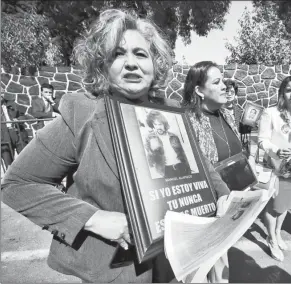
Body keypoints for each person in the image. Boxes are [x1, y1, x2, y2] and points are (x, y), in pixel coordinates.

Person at [2, 9, 230, 283]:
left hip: (178, 264)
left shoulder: (171, 112)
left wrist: (221, 193)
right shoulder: (81, 113)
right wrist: (95, 219)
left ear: (155, 63)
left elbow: (199, 163)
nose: (131, 63)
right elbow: (17, 184)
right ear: (102, 66)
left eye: (140, 54)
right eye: (118, 54)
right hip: (116, 271)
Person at [182, 60, 244, 282]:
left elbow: (235, 151)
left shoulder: (226, 114)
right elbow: (193, 166)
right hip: (205, 208)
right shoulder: (187, 120)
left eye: (223, 80)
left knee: (220, 263)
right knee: (199, 270)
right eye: (217, 82)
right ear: (199, 90)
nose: (225, 86)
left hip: (229, 201)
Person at [258, 75, 291, 261]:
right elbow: (262, 140)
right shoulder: (270, 112)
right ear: (282, 92)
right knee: (274, 205)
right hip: (275, 166)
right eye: (289, 90)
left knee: (286, 205)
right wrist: (275, 150)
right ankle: (271, 239)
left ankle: (277, 233)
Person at [144, 110, 191, 178]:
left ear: (164, 124)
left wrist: (188, 169)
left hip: (181, 167)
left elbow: (182, 155)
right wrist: (152, 150)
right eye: (155, 124)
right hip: (166, 171)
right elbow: (150, 162)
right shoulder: (150, 138)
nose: (158, 127)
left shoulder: (174, 136)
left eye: (160, 124)